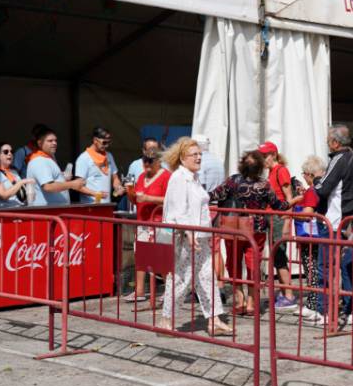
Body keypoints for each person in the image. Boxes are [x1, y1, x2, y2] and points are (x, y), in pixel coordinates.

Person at [158, 137, 231, 336]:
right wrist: (189, 233)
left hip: (201, 236)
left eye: (200, 154)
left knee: (207, 277)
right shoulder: (179, 178)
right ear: (182, 158)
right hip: (186, 238)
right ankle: (166, 320)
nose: (199, 158)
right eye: (194, 154)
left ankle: (214, 320)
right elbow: (178, 210)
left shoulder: (193, 177)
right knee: (180, 279)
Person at [210, 150, 291, 315]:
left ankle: (240, 301)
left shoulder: (232, 181)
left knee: (233, 263)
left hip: (233, 228)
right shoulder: (264, 184)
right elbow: (278, 206)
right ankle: (251, 304)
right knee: (253, 265)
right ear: (260, 167)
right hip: (256, 229)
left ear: (241, 165)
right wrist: (294, 200)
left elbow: (213, 195)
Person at [313, 124, 353, 324]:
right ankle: (350, 312)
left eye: (329, 140)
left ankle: (324, 311)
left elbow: (323, 188)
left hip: (333, 222)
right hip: (349, 222)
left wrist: (315, 180)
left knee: (325, 267)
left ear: (335, 142)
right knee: (347, 268)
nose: (328, 143)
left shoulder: (338, 159)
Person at [258, 141, 302, 310]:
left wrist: (287, 223)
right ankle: (285, 293)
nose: (262, 159)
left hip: (278, 218)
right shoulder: (272, 171)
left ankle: (289, 295)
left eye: (265, 156)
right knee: (277, 256)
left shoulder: (281, 171)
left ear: (274, 155)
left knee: (280, 256)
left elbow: (289, 198)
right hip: (273, 217)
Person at [124, 147, 171, 303]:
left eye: (150, 160)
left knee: (161, 257)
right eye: (145, 160)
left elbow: (170, 200)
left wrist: (148, 198)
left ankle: (169, 290)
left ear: (158, 161)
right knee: (141, 256)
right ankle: (139, 291)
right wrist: (130, 193)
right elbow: (136, 200)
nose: (147, 164)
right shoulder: (141, 176)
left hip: (159, 222)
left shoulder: (166, 176)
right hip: (142, 221)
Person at [293, 155, 327, 323]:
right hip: (315, 235)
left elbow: (307, 214)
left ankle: (314, 304)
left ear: (310, 174)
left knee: (312, 270)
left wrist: (293, 213)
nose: (303, 177)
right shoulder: (318, 189)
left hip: (310, 237)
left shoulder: (312, 191)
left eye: (304, 174)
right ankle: (314, 303)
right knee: (314, 270)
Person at [27, 128, 85, 206]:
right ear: (40, 143)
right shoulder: (39, 161)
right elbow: (48, 187)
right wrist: (72, 184)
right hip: (47, 211)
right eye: (50, 141)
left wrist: (62, 177)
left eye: (55, 140)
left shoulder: (48, 158)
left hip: (55, 209)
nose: (54, 143)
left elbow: (51, 180)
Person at [75, 127, 123, 204]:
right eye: (104, 142)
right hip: (90, 206)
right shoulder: (84, 158)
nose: (107, 146)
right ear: (95, 140)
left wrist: (118, 187)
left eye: (109, 142)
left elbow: (115, 177)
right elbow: (77, 186)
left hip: (107, 205)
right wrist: (95, 194)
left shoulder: (109, 156)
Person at [0, 142, 34, 207]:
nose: (10, 154)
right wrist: (21, 182)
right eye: (6, 152)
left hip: (21, 208)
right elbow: (3, 195)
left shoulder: (13, 171)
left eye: (11, 152)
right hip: (6, 211)